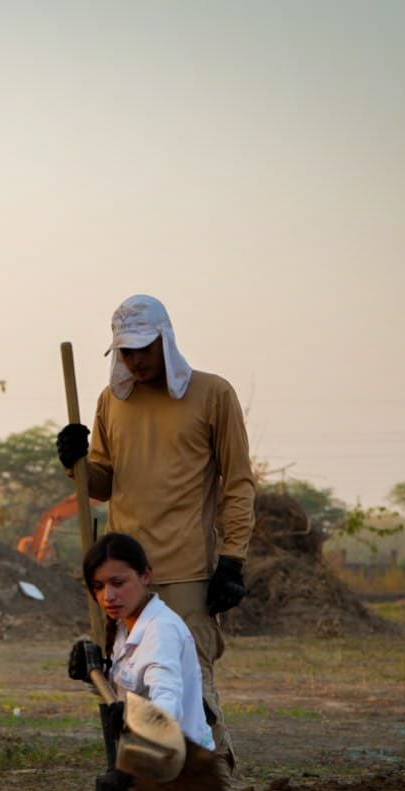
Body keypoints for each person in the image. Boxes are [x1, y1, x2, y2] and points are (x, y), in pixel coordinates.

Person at [57, 294, 254, 766]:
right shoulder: (112, 401)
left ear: (166, 340)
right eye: (126, 351)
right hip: (124, 575)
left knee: (191, 689)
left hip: (187, 573)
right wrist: (75, 462)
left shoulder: (213, 394)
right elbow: (101, 486)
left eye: (144, 348)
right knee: (132, 691)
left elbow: (239, 481)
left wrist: (232, 559)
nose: (136, 360)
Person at [70, 532, 225, 791]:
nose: (108, 596)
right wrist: (94, 673)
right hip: (154, 766)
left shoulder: (161, 631)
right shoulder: (125, 626)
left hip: (180, 771)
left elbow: (165, 702)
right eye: (98, 587)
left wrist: (130, 769)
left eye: (118, 582)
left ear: (146, 576)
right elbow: (127, 687)